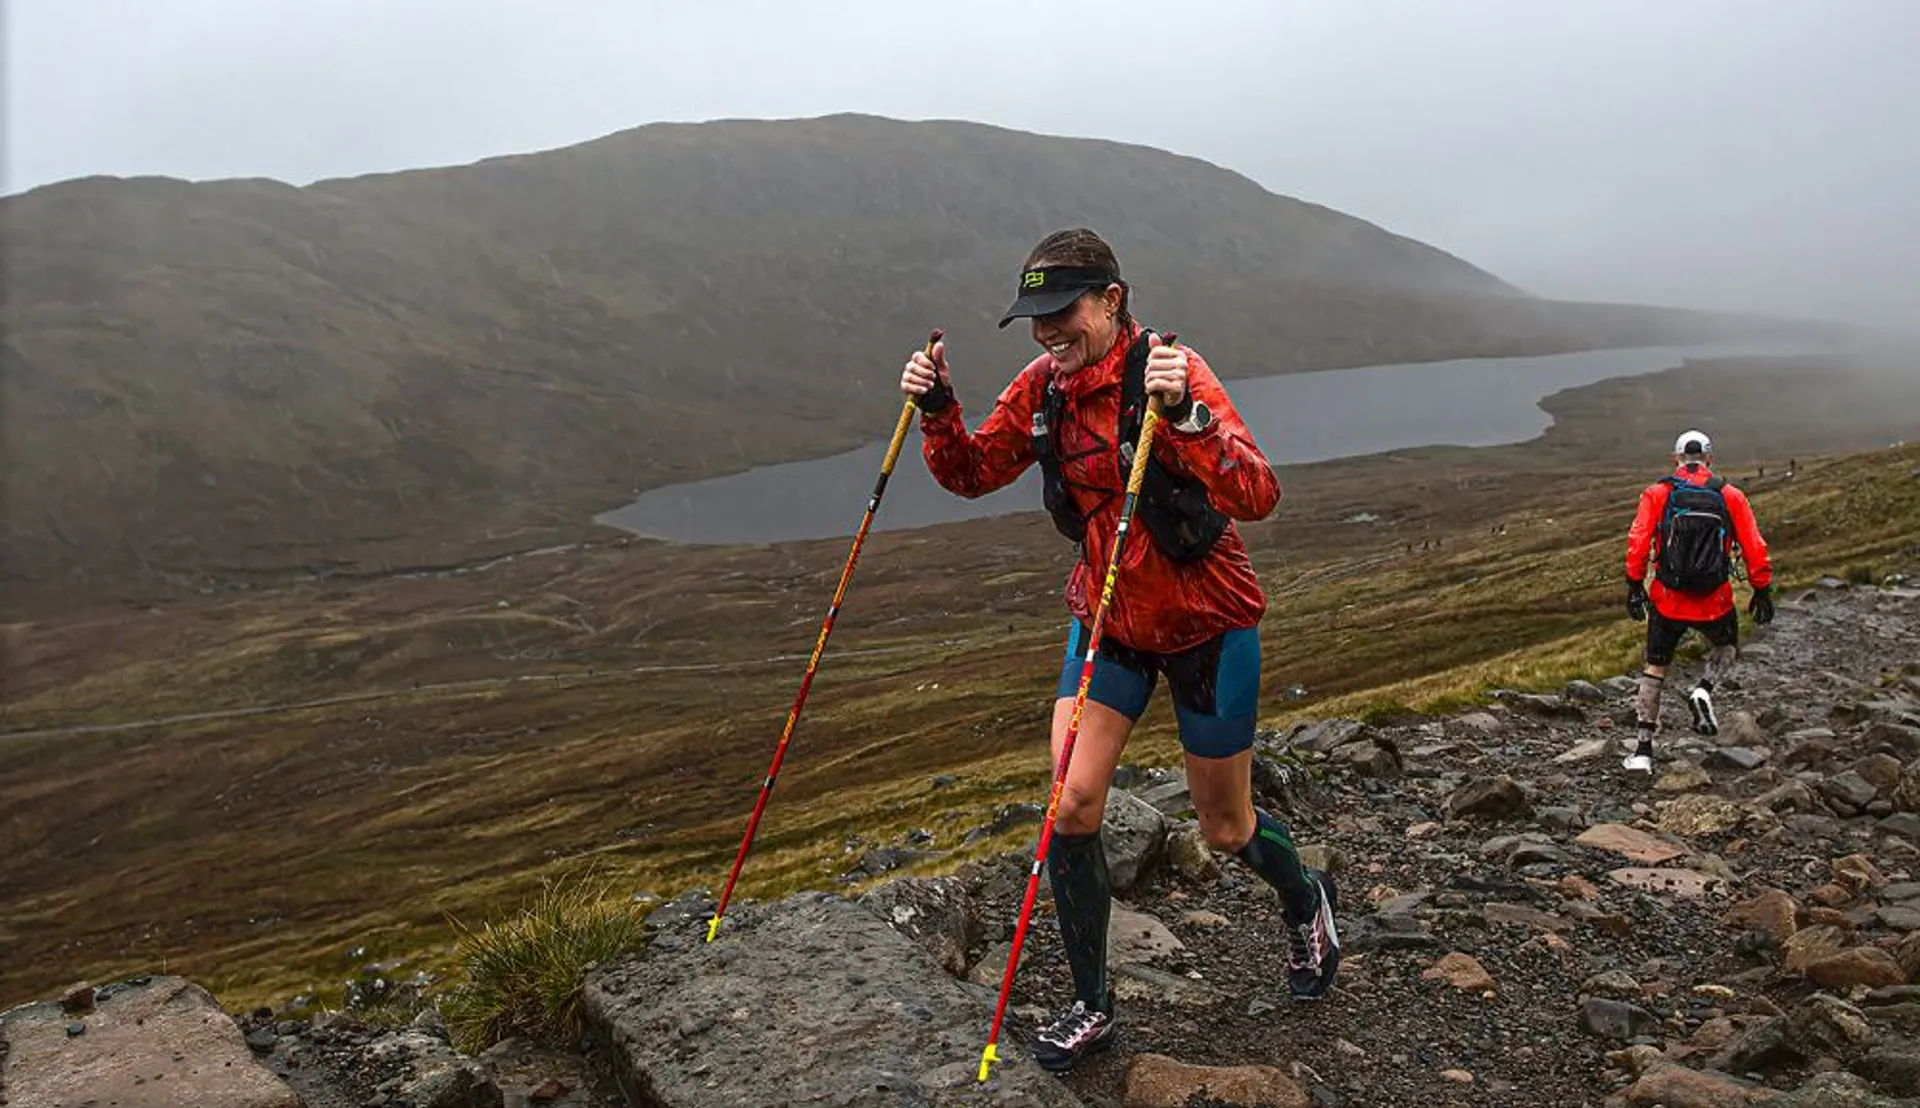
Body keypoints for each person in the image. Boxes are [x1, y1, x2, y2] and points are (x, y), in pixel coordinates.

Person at [898, 228, 1339, 1073]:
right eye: (1034, 318)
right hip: (1107, 621)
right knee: (1070, 804)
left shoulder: (1170, 373)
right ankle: (1093, 1007)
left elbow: (1258, 492)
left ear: (1112, 300)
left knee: (1224, 826)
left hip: (1208, 623)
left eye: (1062, 312)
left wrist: (1187, 421)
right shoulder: (1044, 388)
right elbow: (972, 472)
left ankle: (1305, 897)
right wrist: (939, 410)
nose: (1046, 333)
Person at [1623, 430, 1775, 772]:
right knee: (1726, 647)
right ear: (1709, 459)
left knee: (1655, 668)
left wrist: (1634, 585)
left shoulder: (1657, 493)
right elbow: (1754, 546)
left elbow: (1638, 542)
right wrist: (1761, 588)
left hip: (1667, 600)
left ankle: (1643, 752)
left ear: (1676, 458)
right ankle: (1703, 690)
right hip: (1714, 600)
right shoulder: (1730, 495)